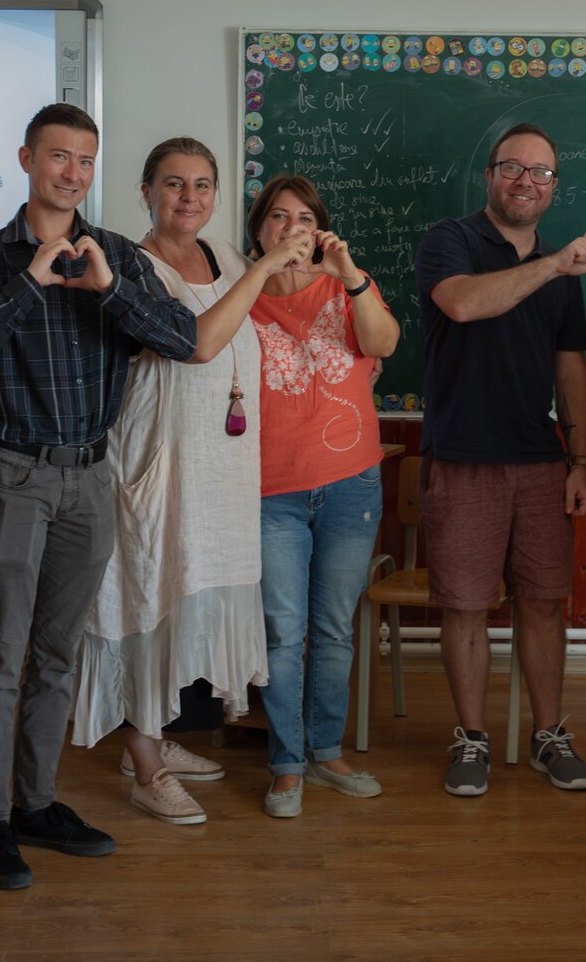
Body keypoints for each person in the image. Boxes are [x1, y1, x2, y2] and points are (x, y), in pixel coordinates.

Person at [0, 104, 199, 890]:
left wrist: (109, 287)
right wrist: (30, 281)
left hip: (92, 475)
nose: (71, 173)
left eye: (84, 161)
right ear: (27, 160)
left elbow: (180, 341)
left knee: (57, 656)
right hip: (15, 471)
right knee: (0, 658)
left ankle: (36, 804)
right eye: (58, 158)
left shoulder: (115, 253)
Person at [68, 138, 315, 826]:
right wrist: (267, 263)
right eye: (173, 184)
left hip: (223, 471)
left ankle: (152, 744)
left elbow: (289, 298)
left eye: (203, 185)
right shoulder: (126, 262)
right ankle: (146, 768)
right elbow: (197, 341)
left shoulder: (230, 259)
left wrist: (305, 248)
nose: (189, 198)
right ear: (145, 191)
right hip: (160, 464)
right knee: (147, 603)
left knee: (187, 609)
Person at [414, 122, 586, 797]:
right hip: (462, 457)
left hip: (538, 462)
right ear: (490, 175)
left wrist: (579, 459)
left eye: (541, 172)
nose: (526, 180)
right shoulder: (450, 240)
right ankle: (471, 738)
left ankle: (549, 734)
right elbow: (462, 305)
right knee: (465, 607)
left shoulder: (563, 270)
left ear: (554, 187)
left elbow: (570, 369)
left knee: (545, 603)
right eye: (513, 168)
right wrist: (553, 266)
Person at [244, 175, 400, 819]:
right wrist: (258, 275)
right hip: (269, 490)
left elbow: (384, 344)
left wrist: (353, 274)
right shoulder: (240, 295)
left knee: (334, 628)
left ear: (321, 229)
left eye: (304, 218)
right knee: (283, 633)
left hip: (349, 485)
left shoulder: (346, 286)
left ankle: (326, 751)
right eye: (278, 217)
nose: (291, 229)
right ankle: (286, 765)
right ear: (259, 230)